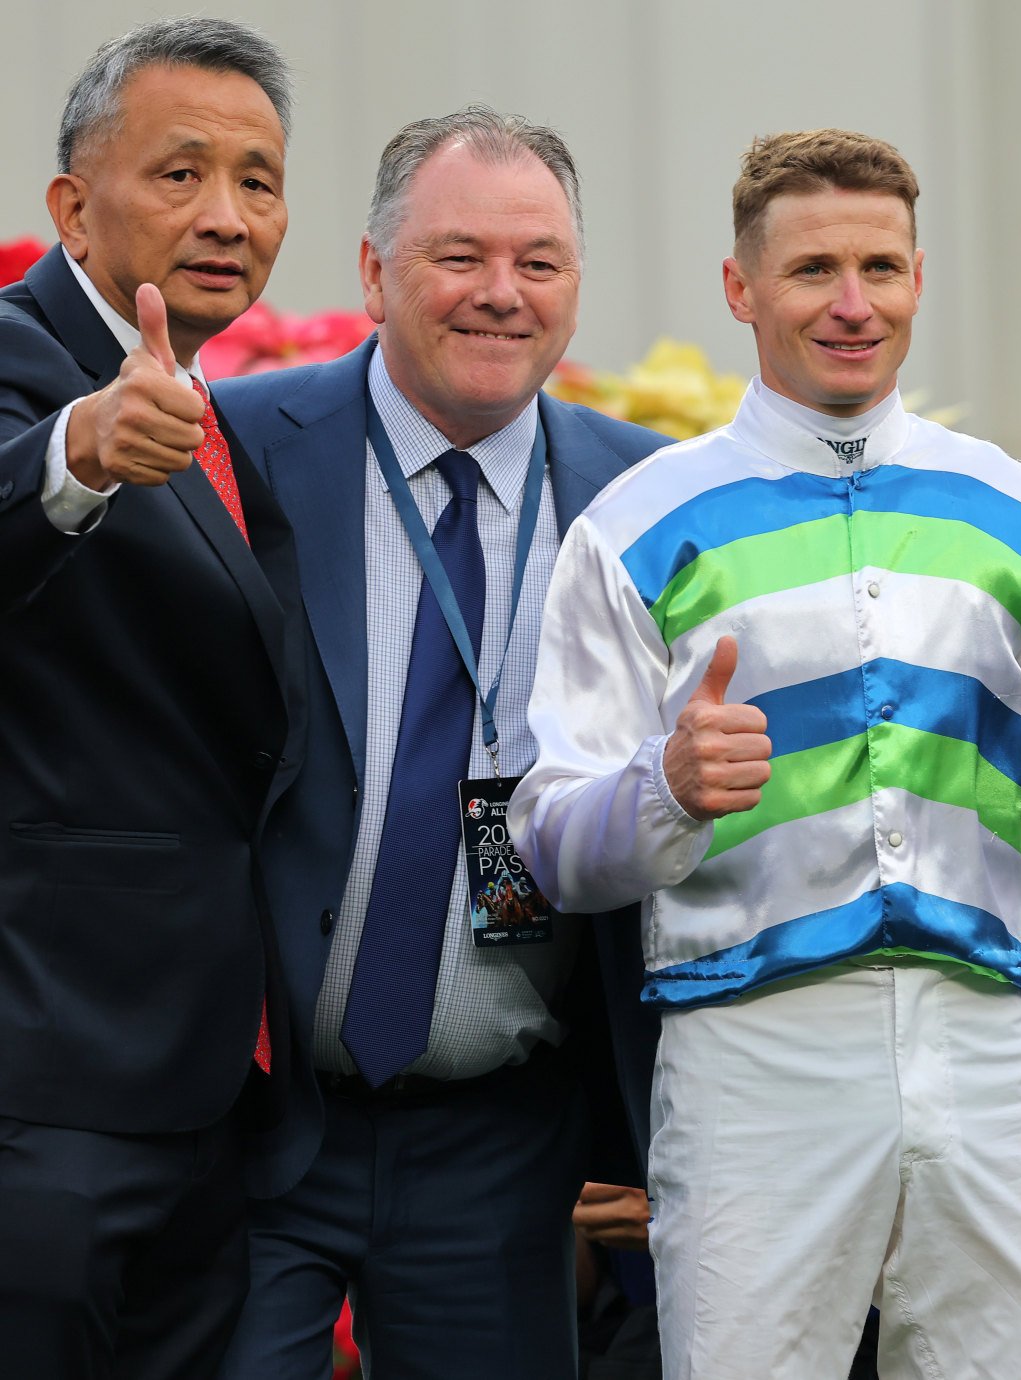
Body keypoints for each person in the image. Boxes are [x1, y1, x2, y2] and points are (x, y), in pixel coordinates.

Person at [512, 127, 1021, 1380]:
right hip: (748, 1056)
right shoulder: (634, 525)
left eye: (880, 266)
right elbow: (549, 839)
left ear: (919, 278)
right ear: (739, 289)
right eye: (812, 268)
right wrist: (660, 789)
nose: (851, 302)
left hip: (984, 1050)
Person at [211, 109, 665, 1379]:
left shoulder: (651, 495)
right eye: (458, 255)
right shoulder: (238, 450)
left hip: (503, 1138)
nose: (500, 295)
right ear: (371, 273)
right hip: (257, 1126)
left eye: (539, 262)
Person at [0, 19, 303, 1377]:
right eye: (180, 175)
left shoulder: (223, 407)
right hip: (48, 1079)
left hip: (212, 1095)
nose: (229, 217)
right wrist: (77, 454)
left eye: (259, 180)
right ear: (72, 204)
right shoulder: (43, 372)